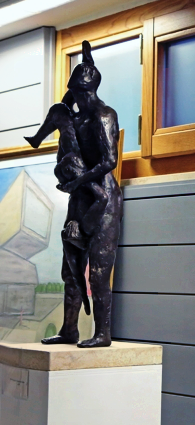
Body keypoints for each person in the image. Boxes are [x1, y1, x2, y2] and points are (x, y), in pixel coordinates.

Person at [38, 41, 122, 348]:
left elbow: (109, 161)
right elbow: (60, 112)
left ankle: (102, 333)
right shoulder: (75, 119)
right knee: (71, 270)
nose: (74, 98)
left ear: (89, 91)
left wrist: (77, 183)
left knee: (98, 272)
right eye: (72, 92)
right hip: (80, 196)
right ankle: (69, 329)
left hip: (104, 199)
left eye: (79, 92)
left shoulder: (104, 115)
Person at [25, 97, 109, 249]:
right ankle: (37, 140)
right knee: (60, 112)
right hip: (74, 169)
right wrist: (76, 182)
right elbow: (102, 197)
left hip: (71, 169)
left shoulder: (73, 223)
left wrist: (73, 183)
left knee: (59, 110)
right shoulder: (84, 223)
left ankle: (37, 140)